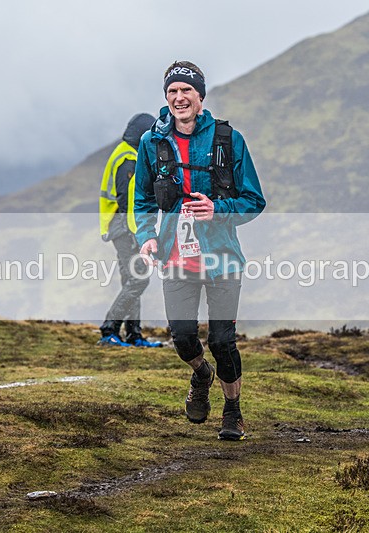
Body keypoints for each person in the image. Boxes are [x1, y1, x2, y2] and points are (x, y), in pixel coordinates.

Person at [134, 61, 266, 440]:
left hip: (222, 256)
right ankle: (201, 374)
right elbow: (142, 198)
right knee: (183, 337)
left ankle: (233, 411)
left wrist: (218, 209)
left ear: (200, 96)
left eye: (186, 91)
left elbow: (254, 200)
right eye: (172, 92)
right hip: (175, 256)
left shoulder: (228, 139)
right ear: (166, 98)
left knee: (223, 341)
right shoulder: (152, 143)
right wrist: (147, 235)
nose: (179, 98)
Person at [98, 112, 162, 348]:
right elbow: (126, 200)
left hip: (120, 226)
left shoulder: (127, 152)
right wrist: (138, 233)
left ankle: (134, 335)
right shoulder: (128, 158)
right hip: (124, 227)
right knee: (138, 280)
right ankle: (109, 330)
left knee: (131, 280)